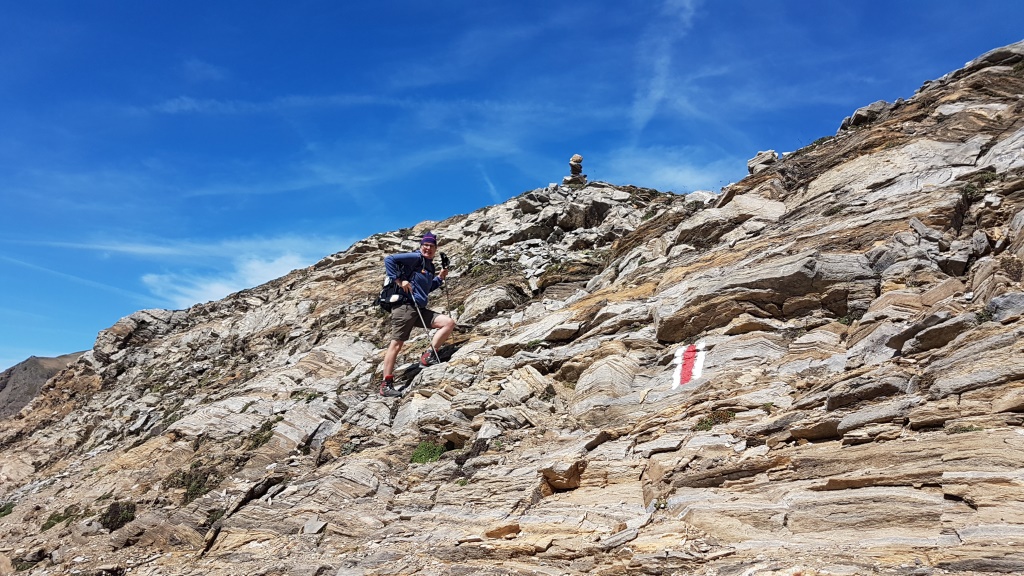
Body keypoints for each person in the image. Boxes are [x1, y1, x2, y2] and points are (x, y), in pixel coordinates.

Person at [379, 232, 455, 397]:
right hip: (405, 307)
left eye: (431, 246)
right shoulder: (415, 257)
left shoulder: (429, 266)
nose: (428, 248)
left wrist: (439, 278)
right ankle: (386, 384)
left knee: (448, 323)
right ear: (421, 246)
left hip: (419, 308)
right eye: (425, 245)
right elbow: (389, 259)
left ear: (435, 248)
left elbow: (426, 289)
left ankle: (428, 356)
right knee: (396, 344)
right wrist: (400, 281)